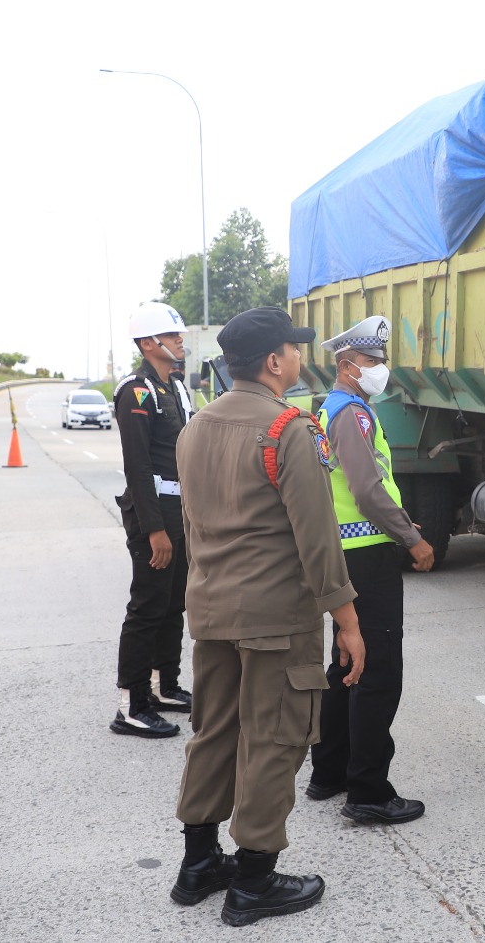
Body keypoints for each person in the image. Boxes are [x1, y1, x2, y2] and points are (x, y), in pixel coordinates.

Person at [171, 307, 366, 928]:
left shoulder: (195, 426)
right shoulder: (288, 428)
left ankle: (198, 862)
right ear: (274, 362)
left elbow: (192, 525)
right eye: (293, 348)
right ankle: (254, 878)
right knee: (278, 737)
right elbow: (318, 538)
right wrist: (349, 621)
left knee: (214, 733)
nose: (299, 357)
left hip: (211, 608)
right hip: (277, 616)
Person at [306, 315, 433, 825]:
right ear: (347, 365)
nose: (381, 368)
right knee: (376, 672)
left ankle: (329, 772)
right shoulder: (351, 412)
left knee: (345, 666)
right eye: (373, 360)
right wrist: (413, 537)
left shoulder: (329, 408)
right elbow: (366, 488)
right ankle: (368, 792)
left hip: (345, 551)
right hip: (368, 555)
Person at [109, 301, 197, 738]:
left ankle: (165, 686)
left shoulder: (176, 387)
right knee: (147, 607)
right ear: (149, 343)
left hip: (180, 509)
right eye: (172, 334)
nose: (181, 340)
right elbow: (138, 467)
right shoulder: (136, 392)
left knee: (173, 603)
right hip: (154, 512)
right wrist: (155, 529)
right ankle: (132, 704)